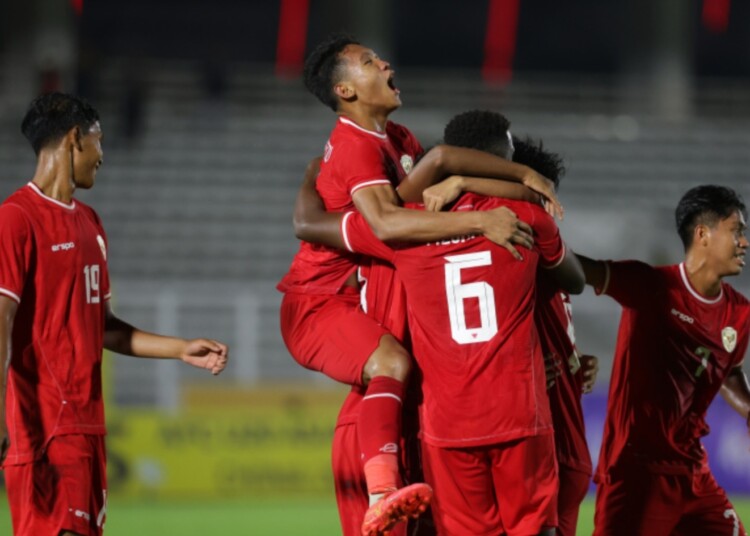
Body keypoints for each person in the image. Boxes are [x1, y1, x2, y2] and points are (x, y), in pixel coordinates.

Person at [279, 33, 560, 536]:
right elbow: (384, 222)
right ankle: (382, 490)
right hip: (320, 300)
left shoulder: (400, 140)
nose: (385, 62)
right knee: (391, 361)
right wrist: (483, 219)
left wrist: (516, 181)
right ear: (346, 91)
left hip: (427, 408)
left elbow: (437, 171)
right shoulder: (352, 149)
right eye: (369, 61)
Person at [0, 92, 229, 536]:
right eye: (98, 141)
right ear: (73, 140)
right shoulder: (16, 219)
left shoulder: (91, 223)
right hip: (43, 424)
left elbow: (103, 327)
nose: (102, 155)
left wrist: (180, 349)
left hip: (88, 423)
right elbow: (1, 320)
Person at [577, 185, 750, 536]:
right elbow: (581, 270)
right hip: (636, 471)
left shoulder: (740, 312)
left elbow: (729, 371)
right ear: (703, 234)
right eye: (737, 231)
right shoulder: (652, 286)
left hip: (693, 472)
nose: (744, 242)